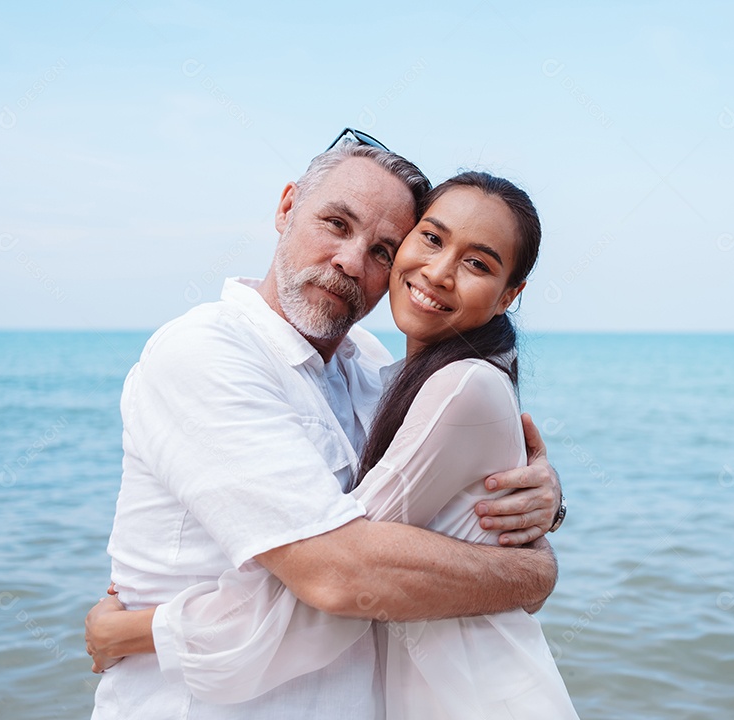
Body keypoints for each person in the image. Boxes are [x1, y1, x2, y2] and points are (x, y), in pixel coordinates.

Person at [87, 130, 564, 719]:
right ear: (287, 206)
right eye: (337, 224)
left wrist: (543, 503)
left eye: (384, 250)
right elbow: (341, 576)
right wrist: (530, 572)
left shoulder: (368, 366)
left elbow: (443, 498)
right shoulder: (205, 354)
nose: (350, 262)